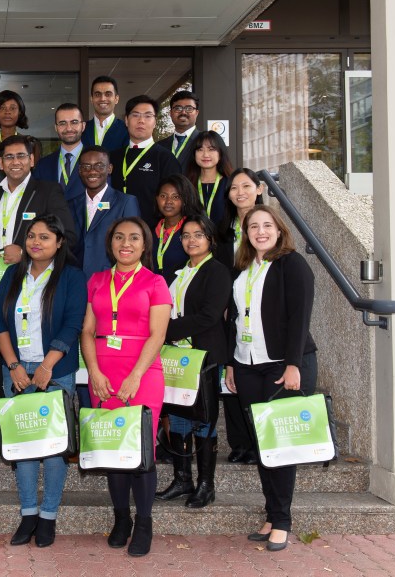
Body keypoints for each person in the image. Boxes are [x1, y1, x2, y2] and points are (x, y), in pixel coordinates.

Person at [0, 134, 77, 460]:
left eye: (21, 156)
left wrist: (25, 251)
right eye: (9, 157)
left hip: (34, 289)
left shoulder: (48, 191)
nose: (15, 162)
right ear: (0, 163)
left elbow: (67, 235)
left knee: (27, 356)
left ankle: (34, 434)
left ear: (32, 160)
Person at [0, 215, 85, 547]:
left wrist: (46, 366)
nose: (36, 242)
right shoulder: (12, 274)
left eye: (45, 237)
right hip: (15, 370)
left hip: (55, 370)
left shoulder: (71, 276)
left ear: (59, 243)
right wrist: (13, 365)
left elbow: (73, 323)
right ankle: (28, 512)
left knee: (54, 448)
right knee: (24, 443)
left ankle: (48, 516)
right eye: (31, 236)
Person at [226, 206, 318, 553]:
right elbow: (236, 319)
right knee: (262, 443)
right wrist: (232, 363)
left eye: (267, 225)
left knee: (280, 444)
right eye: (253, 226)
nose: (260, 232)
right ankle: (271, 513)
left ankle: (282, 521)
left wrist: (293, 364)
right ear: (246, 233)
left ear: (279, 231)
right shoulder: (243, 268)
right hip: (247, 364)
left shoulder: (292, 264)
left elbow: (300, 317)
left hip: (283, 365)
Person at [80, 216, 172, 557]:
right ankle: (121, 519)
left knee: (141, 449)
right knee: (112, 446)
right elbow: (87, 331)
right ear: (111, 243)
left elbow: (158, 335)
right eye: (119, 237)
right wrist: (94, 372)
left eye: (134, 237)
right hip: (103, 372)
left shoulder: (155, 282)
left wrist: (135, 376)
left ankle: (144, 522)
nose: (126, 243)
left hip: (142, 373)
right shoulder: (97, 280)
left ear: (145, 244)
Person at [156, 214, 232, 509]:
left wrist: (165, 331)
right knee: (177, 417)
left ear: (210, 239)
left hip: (204, 358)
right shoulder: (179, 272)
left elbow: (209, 316)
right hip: (177, 359)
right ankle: (182, 479)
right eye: (186, 235)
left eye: (198, 234)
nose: (191, 240)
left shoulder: (217, 271)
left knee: (203, 419)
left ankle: (205, 484)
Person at [215, 168, 265, 465]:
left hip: (259, 309)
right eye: (234, 188)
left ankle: (259, 441)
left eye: (246, 186)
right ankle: (239, 443)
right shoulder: (223, 229)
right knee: (231, 372)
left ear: (259, 189)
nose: (240, 192)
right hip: (231, 306)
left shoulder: (267, 225)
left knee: (255, 375)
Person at [69, 145, 141, 279]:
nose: (92, 171)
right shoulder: (71, 204)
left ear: (110, 169)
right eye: (86, 166)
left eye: (99, 166)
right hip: (76, 279)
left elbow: (133, 245)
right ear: (80, 170)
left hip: (111, 279)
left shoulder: (125, 202)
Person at [117, 95, 182, 226]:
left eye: (147, 116)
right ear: (126, 120)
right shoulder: (114, 157)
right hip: (116, 230)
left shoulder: (165, 158)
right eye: (135, 115)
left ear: (155, 122)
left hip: (152, 231)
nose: (141, 120)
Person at [0, 90, 43, 189]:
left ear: (20, 112)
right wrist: (0, 195)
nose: (7, 112)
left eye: (12, 108)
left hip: (24, 196)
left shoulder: (31, 143)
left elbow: (35, 176)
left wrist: (17, 195)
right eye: (2, 108)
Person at [152, 175, 204, 285]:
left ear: (185, 200)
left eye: (175, 197)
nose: (168, 201)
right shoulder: (149, 232)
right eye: (163, 196)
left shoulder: (193, 232)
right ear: (157, 199)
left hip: (182, 291)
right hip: (153, 292)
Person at [32, 103, 87, 199]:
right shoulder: (43, 165)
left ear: (83, 126)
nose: (69, 128)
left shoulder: (97, 162)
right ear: (56, 128)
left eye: (74, 122)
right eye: (62, 123)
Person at [183, 130, 234, 226]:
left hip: (224, 235)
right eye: (200, 149)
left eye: (211, 149)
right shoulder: (187, 185)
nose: (205, 155)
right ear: (194, 154)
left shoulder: (230, 184)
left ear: (220, 153)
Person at [81, 76, 129, 151]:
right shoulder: (81, 129)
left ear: (116, 99)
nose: (102, 99)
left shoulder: (126, 130)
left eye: (108, 94)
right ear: (91, 99)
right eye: (98, 94)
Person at [156, 91, 201, 161]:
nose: (183, 112)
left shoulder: (206, 142)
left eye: (189, 108)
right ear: (171, 113)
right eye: (178, 108)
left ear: (196, 113)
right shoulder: (159, 146)